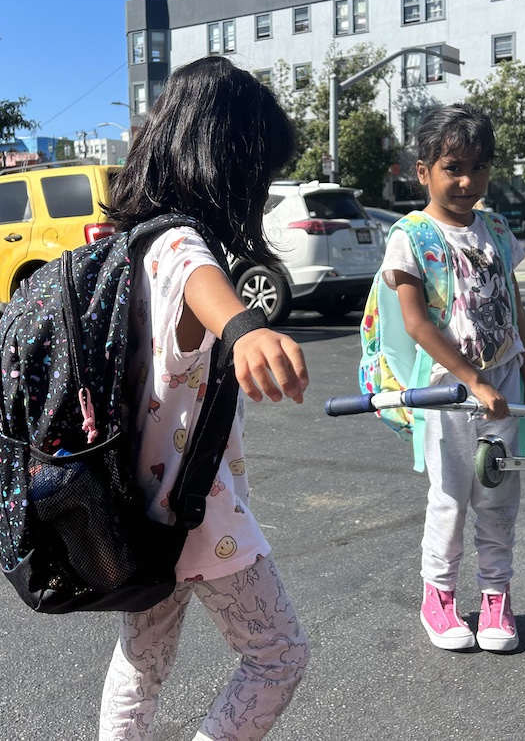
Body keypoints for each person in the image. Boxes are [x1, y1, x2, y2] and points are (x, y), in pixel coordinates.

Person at [98, 56, 310, 741]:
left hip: (140, 509)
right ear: (229, 161)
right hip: (201, 515)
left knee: (142, 663)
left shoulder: (128, 248)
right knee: (279, 656)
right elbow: (203, 285)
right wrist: (246, 329)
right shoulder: (183, 244)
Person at [378, 104, 525, 653]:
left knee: (499, 495)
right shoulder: (411, 235)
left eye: (478, 167)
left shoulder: (496, 228)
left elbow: (514, 308)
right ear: (422, 169)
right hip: (450, 390)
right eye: (453, 166)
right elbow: (415, 321)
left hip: (504, 381)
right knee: (452, 496)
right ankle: (441, 596)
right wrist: (472, 379)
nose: (466, 180)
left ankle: (496, 596)